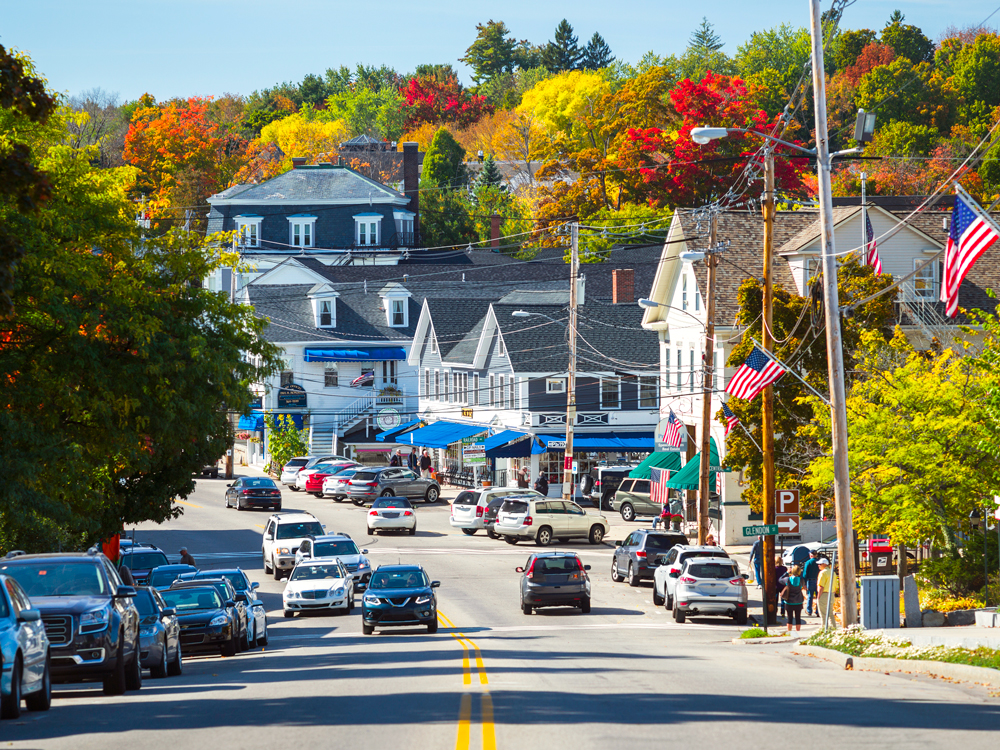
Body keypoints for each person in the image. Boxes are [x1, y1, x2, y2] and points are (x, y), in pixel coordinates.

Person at [779, 563, 806, 632]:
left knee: (789, 618)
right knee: (798, 617)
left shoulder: (788, 579)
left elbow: (780, 579)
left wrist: (786, 573)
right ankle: (798, 631)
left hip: (789, 601)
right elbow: (804, 587)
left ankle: (790, 631)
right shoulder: (801, 580)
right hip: (798, 601)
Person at [817, 558, 838, 630]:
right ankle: (833, 627)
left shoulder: (823, 573)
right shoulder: (833, 572)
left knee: (823, 613)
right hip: (831, 594)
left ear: (824, 564)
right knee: (830, 613)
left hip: (824, 594)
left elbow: (821, 586)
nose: (818, 565)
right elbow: (836, 587)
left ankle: (823, 628)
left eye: (820, 564)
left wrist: (818, 596)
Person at [802, 550, 820, 617]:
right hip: (818, 580)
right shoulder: (819, 562)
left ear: (811, 555)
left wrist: (804, 583)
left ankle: (809, 610)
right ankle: (818, 611)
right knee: (818, 596)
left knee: (810, 596)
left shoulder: (808, 562)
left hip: (810, 580)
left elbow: (805, 573)